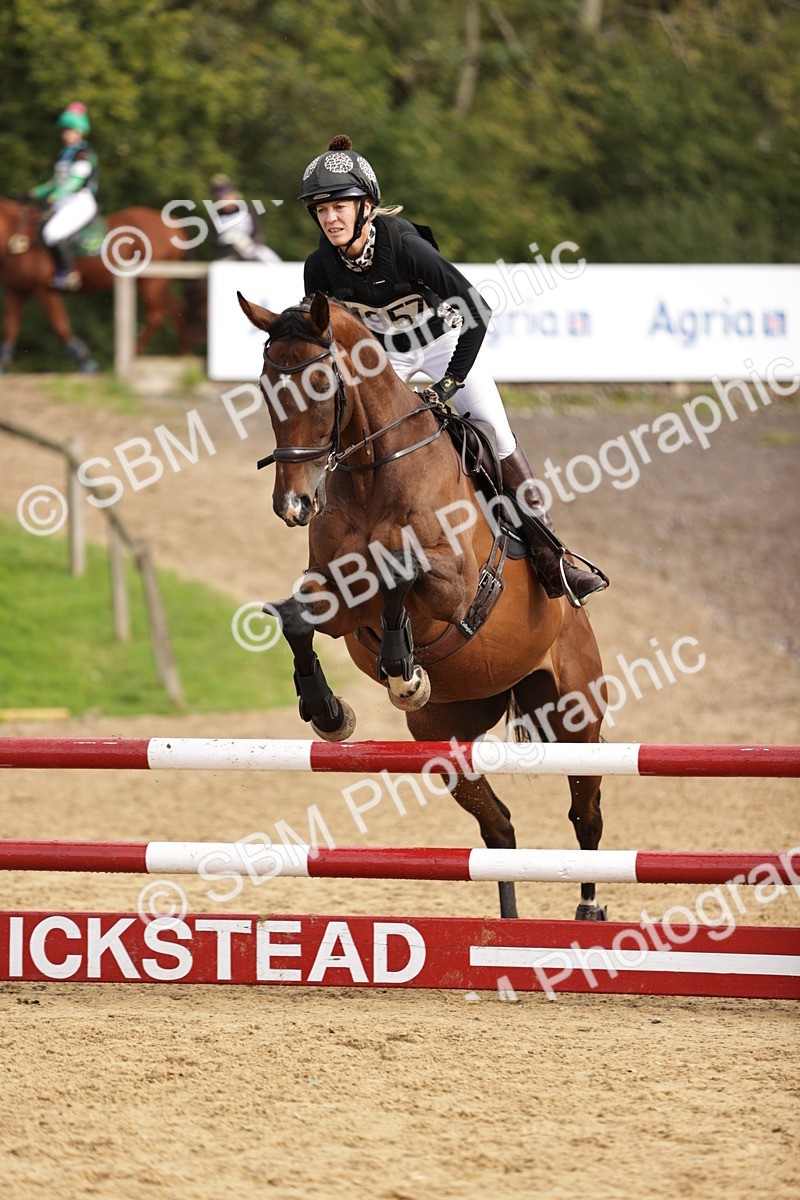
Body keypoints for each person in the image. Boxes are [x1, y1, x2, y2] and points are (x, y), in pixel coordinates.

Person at [300, 135, 608, 607]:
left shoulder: (405, 247)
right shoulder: (319, 267)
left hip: (444, 344)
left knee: (497, 436)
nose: (330, 218)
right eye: (320, 210)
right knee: (348, 425)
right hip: (384, 357)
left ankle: (552, 556)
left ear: (366, 206)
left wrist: (450, 383)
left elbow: (478, 310)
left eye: (339, 206)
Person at [30, 102, 99, 291]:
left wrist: (55, 196)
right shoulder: (64, 153)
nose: (65, 134)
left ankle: (69, 273)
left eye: (70, 130)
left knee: (51, 232)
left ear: (80, 131)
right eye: (64, 130)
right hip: (64, 200)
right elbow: (56, 182)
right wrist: (33, 193)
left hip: (79, 201)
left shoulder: (82, 153)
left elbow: (75, 181)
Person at [209, 174, 281, 264]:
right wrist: (228, 242)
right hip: (229, 256)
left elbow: (257, 234)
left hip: (252, 250)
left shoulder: (247, 210)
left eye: (226, 197)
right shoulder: (216, 216)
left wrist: (248, 243)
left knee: (272, 261)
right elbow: (214, 240)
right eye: (220, 198)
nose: (224, 200)